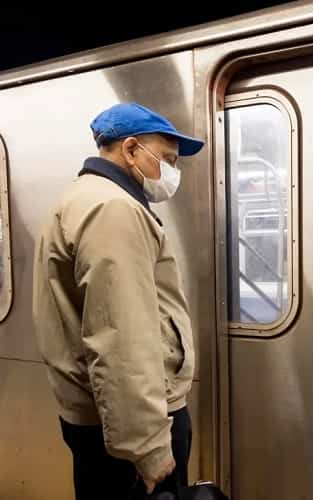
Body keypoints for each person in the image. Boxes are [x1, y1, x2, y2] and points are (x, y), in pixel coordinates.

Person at [32, 102, 205, 500]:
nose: (170, 172)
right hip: (132, 428)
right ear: (130, 150)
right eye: (165, 158)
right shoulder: (113, 209)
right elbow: (122, 338)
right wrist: (147, 448)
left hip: (106, 418)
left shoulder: (81, 198)